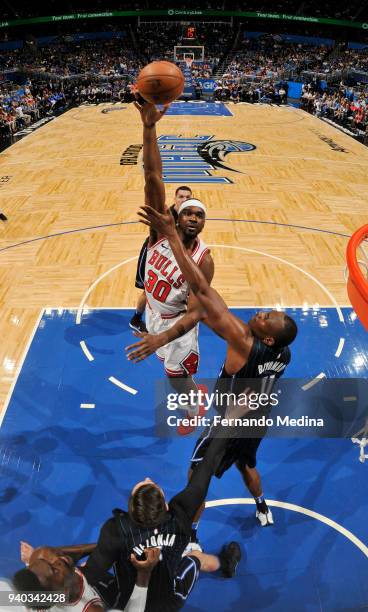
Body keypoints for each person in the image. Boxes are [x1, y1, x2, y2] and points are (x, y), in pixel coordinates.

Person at [137, 204, 297, 532]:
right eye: (269, 311)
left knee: (197, 476)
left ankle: (191, 536)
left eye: (268, 318)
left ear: (267, 339)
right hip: (258, 421)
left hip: (228, 423)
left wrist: (170, 236)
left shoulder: (242, 340)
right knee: (247, 464)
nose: (263, 312)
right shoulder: (284, 354)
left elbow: (202, 289)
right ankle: (261, 505)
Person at [81, 422, 242, 612]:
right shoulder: (180, 514)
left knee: (84, 569)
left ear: (130, 510)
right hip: (167, 602)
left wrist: (42, 589)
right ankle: (225, 564)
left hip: (126, 602)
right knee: (195, 557)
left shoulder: (116, 530)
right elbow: (206, 466)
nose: (147, 478)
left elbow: (87, 575)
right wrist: (229, 421)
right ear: (165, 505)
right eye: (148, 484)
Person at [125, 97, 215, 434]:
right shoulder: (158, 231)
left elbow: (196, 313)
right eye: (188, 211)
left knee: (175, 375)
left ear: (203, 223)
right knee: (167, 366)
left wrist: (159, 339)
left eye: (199, 214)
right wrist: (149, 128)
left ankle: (195, 404)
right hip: (153, 312)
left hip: (176, 326)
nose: (193, 216)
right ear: (176, 215)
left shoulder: (204, 260)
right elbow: (153, 176)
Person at [12, 543, 160, 612]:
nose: (57, 561)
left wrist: (115, 544)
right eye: (54, 570)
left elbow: (74, 553)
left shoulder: (41, 558)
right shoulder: (90, 610)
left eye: (43, 562)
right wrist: (144, 573)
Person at [129, 185, 193, 334]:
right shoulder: (167, 214)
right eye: (181, 197)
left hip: (172, 256)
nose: (184, 200)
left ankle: (176, 320)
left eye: (187, 197)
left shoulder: (190, 216)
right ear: (175, 199)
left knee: (182, 289)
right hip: (154, 253)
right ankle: (136, 319)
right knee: (148, 290)